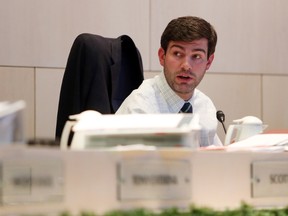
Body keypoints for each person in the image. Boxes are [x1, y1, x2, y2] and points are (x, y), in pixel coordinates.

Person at [116, 16, 222, 147]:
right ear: (162, 56)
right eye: (178, 54)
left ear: (209, 62)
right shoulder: (140, 108)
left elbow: (214, 158)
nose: (186, 65)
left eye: (196, 56)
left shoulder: (205, 106)